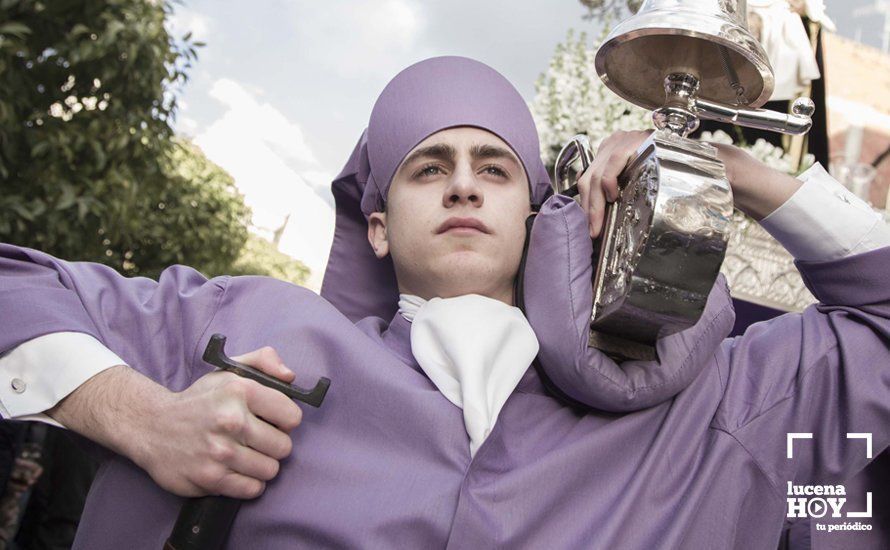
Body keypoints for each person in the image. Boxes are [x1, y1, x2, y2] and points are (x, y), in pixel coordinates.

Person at [1, 55, 889, 549]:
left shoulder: (714, 403)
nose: (464, 186)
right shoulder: (254, 326)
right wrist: (138, 415)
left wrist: (727, 174)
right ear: (379, 226)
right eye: (431, 167)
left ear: (541, 208)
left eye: (494, 166)